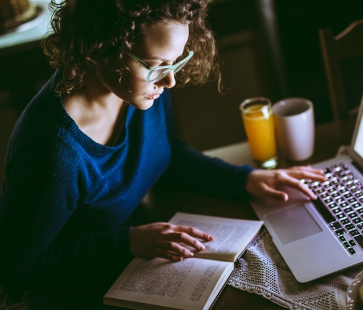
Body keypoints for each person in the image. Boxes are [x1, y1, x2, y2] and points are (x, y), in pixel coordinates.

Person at [0, 0, 325, 308]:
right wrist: (127, 241)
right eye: (156, 66)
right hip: (81, 290)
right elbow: (17, 268)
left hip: (136, 260)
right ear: (102, 48)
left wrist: (247, 179)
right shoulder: (54, 153)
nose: (169, 80)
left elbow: (168, 155)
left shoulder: (135, 87)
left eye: (176, 61)